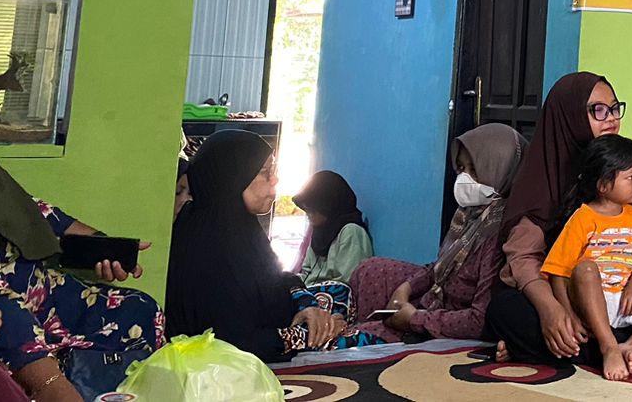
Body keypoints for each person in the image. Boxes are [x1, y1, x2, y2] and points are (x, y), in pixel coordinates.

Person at [488, 72, 632, 376]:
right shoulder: (544, 168)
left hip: (626, 298)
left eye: (614, 108)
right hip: (566, 295)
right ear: (569, 116)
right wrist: (552, 311)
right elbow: (525, 258)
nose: (611, 117)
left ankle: (554, 349)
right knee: (503, 310)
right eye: (598, 110)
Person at [167, 131, 376, 361]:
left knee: (344, 310)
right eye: (265, 173)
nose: (275, 180)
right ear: (233, 177)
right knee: (367, 343)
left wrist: (306, 306)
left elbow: (276, 277)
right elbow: (231, 342)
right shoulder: (208, 247)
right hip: (228, 364)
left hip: (268, 338)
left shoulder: (241, 230)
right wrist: (311, 335)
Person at [0, 160, 162, 401]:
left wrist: (106, 247)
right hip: (4, 311)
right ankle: (54, 389)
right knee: (9, 317)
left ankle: (102, 386)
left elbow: (37, 214)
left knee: (138, 308)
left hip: (44, 293)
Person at [349, 122, 524, 342]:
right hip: (433, 305)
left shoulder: (499, 234)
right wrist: (406, 288)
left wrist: (415, 319)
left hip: (446, 326)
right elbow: (442, 268)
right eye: (461, 168)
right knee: (370, 270)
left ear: (501, 171)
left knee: (352, 339)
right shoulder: (470, 217)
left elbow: (479, 320)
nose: (464, 179)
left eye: (475, 170)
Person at [542, 135, 632, 381]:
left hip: (624, 301)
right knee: (585, 269)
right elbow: (557, 273)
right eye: (631, 177)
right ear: (603, 185)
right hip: (589, 302)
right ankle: (609, 347)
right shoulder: (583, 218)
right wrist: (569, 315)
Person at [293, 171, 373, 284]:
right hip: (311, 291)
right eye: (306, 210)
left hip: (333, 293)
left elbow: (347, 282)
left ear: (328, 207)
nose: (308, 215)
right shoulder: (319, 232)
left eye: (312, 210)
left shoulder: (351, 232)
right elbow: (306, 272)